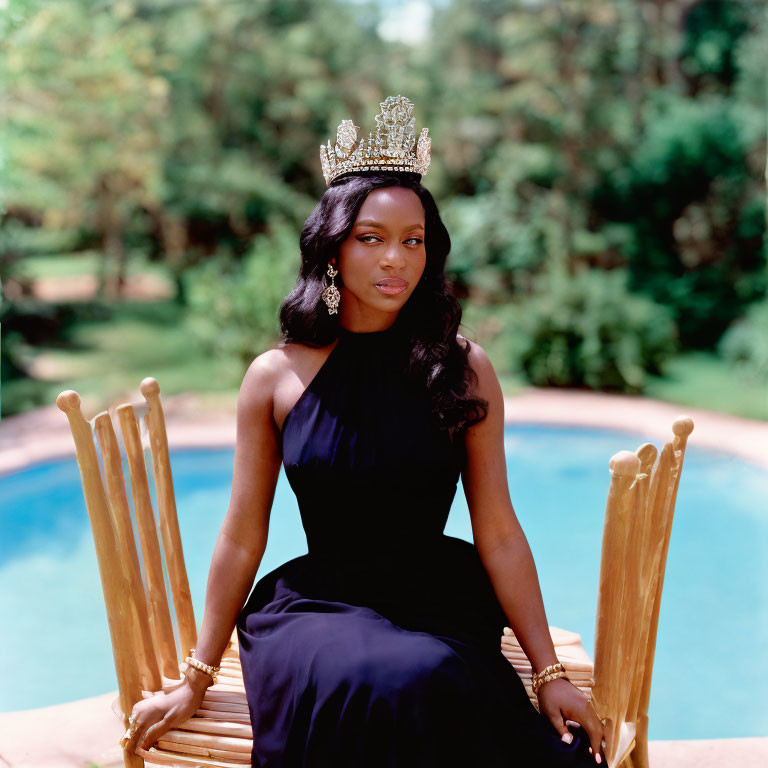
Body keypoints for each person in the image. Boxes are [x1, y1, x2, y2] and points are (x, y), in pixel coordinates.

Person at [122, 95, 607, 767]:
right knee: (376, 680)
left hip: (438, 597)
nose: (395, 261)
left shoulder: (464, 369)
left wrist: (549, 672)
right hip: (316, 607)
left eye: (413, 241)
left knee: (422, 676)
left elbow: (496, 529)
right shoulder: (275, 377)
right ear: (332, 248)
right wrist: (197, 674)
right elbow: (240, 533)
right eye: (371, 238)